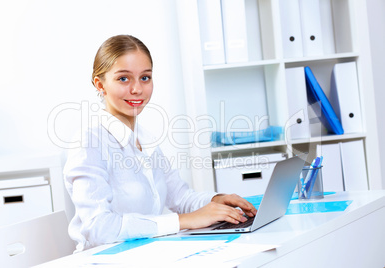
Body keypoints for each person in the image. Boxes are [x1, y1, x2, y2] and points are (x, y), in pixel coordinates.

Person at [63, 34, 257, 252]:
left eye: (145, 78)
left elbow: (181, 197)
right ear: (100, 85)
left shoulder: (144, 139)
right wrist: (184, 221)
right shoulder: (89, 142)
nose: (137, 89)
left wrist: (218, 200)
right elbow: (98, 228)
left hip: (148, 253)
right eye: (123, 79)